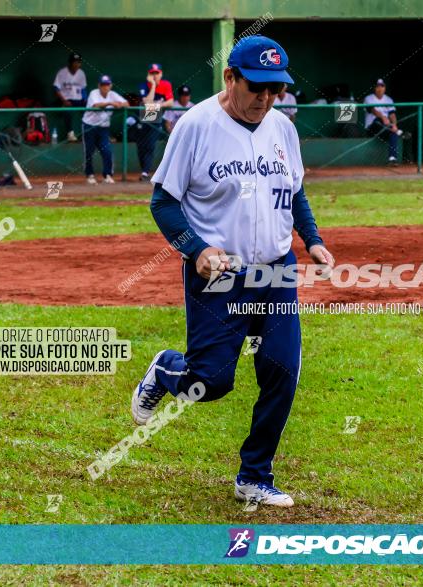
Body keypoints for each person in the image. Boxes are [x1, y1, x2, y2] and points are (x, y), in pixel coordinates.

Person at [133, 35, 335, 508]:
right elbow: (163, 202)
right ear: (230, 78)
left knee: (282, 368)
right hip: (219, 274)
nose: (266, 99)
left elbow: (296, 193)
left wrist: (314, 240)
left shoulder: (282, 128)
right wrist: (195, 248)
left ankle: (255, 475)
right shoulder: (196, 125)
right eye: (256, 87)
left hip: (277, 270)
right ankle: (166, 370)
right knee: (213, 381)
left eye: (275, 90)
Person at [82, 75, 128, 184]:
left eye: (107, 84)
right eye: (103, 85)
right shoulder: (94, 93)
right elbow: (95, 105)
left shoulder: (112, 94)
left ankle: (107, 175)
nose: (105, 87)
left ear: (111, 85)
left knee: (107, 152)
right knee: (89, 152)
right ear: (99, 85)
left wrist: (120, 104)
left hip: (103, 128)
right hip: (89, 126)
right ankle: (90, 175)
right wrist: (111, 103)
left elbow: (127, 103)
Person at [136, 63, 174, 181]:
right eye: (152, 73)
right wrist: (152, 85)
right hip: (144, 118)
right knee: (141, 147)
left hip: (155, 118)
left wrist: (158, 105)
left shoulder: (166, 84)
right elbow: (148, 102)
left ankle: (145, 172)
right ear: (149, 74)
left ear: (161, 74)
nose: (154, 75)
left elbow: (170, 102)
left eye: (157, 73)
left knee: (150, 145)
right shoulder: (143, 85)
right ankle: (144, 170)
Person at [363, 79, 409, 164]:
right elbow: (373, 110)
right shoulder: (368, 98)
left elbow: (392, 115)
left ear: (385, 88)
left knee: (393, 132)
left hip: (386, 128)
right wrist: (383, 117)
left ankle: (392, 158)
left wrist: (394, 125)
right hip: (371, 128)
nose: (380, 88)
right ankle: (399, 133)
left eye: (382, 86)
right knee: (378, 120)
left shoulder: (388, 99)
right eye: (378, 86)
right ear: (374, 88)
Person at [53, 53, 87, 142]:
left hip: (79, 99)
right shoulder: (62, 72)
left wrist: (85, 100)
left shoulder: (81, 73)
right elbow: (56, 88)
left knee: (90, 110)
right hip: (66, 99)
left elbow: (83, 88)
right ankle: (70, 134)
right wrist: (64, 101)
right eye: (74, 62)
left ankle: (87, 134)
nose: (77, 64)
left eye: (78, 62)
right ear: (70, 63)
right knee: (67, 111)